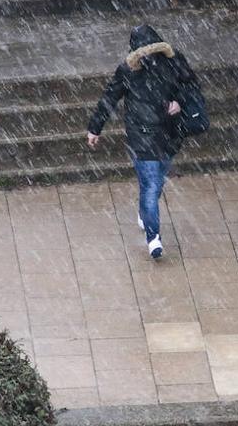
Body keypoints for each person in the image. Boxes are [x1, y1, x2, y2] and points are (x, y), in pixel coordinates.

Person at [85, 24, 201, 259]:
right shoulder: (127, 71)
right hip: (141, 137)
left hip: (169, 133)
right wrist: (95, 128)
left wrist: (179, 100)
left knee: (156, 183)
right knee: (150, 186)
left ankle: (144, 213)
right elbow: (110, 98)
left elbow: (191, 85)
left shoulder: (173, 60)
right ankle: (153, 237)